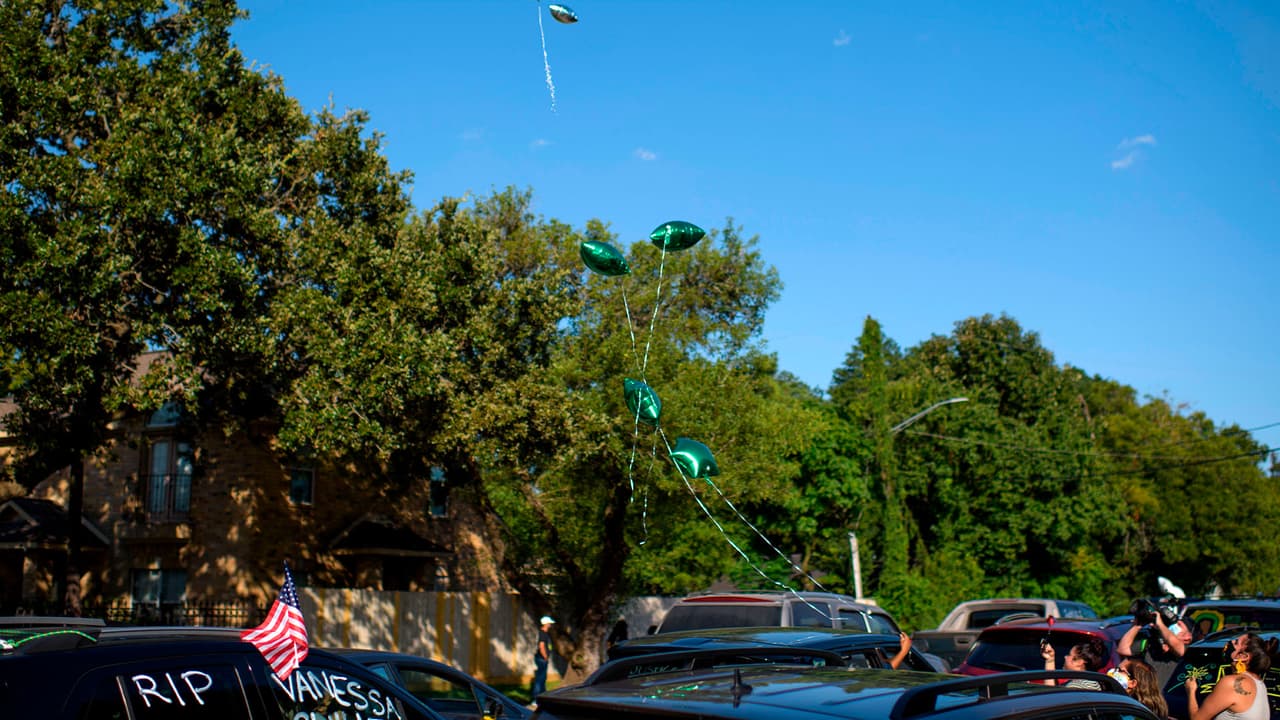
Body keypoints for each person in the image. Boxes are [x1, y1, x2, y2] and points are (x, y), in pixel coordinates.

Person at [1185, 632, 1270, 720]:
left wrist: (1191, 690)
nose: (1231, 642)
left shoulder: (1231, 682)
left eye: (1236, 642)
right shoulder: (1260, 684)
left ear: (1243, 656)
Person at [1118, 606, 1193, 688]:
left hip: (1168, 697)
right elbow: (1122, 649)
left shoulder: (1188, 650)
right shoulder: (1152, 644)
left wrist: (1160, 624)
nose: (1171, 630)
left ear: (1188, 638)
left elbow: (1179, 649)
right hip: (1149, 696)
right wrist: (1138, 625)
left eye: (1178, 629)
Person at [1041, 636, 1108, 689]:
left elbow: (1052, 700)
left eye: (1069, 655)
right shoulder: (1089, 682)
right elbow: (1052, 691)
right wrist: (1050, 660)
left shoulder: (1078, 686)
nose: (1065, 657)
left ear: (1079, 662)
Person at [532, 615, 555, 705]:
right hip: (541, 659)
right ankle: (536, 698)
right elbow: (541, 646)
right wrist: (545, 656)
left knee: (543, 678)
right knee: (540, 678)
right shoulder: (542, 633)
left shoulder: (545, 633)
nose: (550, 625)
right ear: (546, 623)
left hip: (542, 659)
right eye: (549, 623)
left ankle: (543, 696)